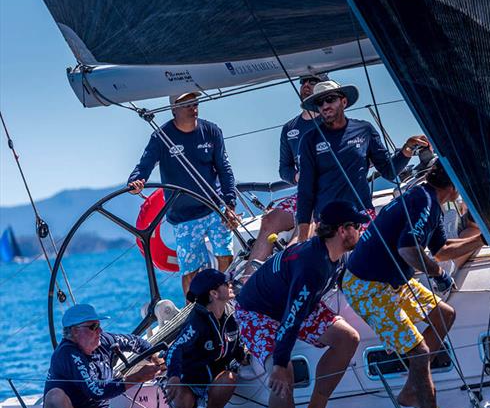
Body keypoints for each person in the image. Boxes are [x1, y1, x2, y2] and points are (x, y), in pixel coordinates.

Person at [342, 163, 483, 408]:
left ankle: (412, 389)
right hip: (368, 286)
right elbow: (408, 249)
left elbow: (442, 250)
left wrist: (483, 238)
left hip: (392, 281)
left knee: (444, 315)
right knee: (418, 351)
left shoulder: (428, 199)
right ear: (454, 186)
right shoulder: (425, 202)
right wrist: (438, 274)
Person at [235, 200, 368, 408]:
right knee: (283, 379)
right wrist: (280, 363)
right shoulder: (311, 266)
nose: (361, 230)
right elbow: (290, 321)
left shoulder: (336, 255)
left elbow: (300, 308)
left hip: (295, 303)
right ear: (343, 231)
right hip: (258, 312)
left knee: (347, 339)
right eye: (358, 226)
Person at [128, 91, 239, 295]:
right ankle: (194, 312)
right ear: (173, 109)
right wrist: (136, 180)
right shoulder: (161, 137)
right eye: (186, 104)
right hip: (184, 216)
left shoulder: (212, 131)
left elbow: (224, 169)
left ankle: (225, 302)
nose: (192, 107)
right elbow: (144, 166)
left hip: (215, 208)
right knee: (191, 272)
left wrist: (230, 204)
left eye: (195, 102)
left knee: (226, 257)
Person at [295, 80, 429, 241]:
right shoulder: (309, 140)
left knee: (371, 263)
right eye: (319, 102)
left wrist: (408, 148)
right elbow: (305, 189)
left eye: (330, 99)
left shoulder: (364, 130)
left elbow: (388, 171)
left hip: (361, 215)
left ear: (343, 101)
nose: (325, 105)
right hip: (327, 221)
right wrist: (303, 237)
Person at [165, 269, 246, 408]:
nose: (230, 285)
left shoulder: (231, 312)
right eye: (225, 283)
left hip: (216, 375)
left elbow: (236, 342)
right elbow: (175, 348)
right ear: (214, 294)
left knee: (229, 379)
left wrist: (242, 355)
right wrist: (174, 377)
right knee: (182, 400)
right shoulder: (196, 323)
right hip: (192, 378)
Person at [245, 73, 328, 273]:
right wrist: (298, 177)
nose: (306, 85)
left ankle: (289, 270)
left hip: (329, 192)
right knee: (269, 220)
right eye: (303, 82)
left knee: (304, 220)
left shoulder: (332, 123)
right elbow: (285, 169)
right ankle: (248, 280)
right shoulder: (290, 128)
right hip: (304, 191)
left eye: (313, 81)